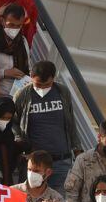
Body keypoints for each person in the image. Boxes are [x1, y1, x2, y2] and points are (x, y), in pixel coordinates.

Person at [13, 60, 83, 193]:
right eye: (38, 84)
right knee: (31, 201)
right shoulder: (22, 95)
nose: (43, 88)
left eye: (47, 85)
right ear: (31, 77)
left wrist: (77, 149)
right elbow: (14, 122)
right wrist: (21, 143)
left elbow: (70, 122)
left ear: (53, 78)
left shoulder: (62, 91)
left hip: (61, 161)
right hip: (35, 163)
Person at [0, 3, 29, 96]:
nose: (15, 29)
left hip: (18, 94)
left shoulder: (23, 41)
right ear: (2, 21)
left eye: (19, 26)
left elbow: (27, 66)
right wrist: (4, 73)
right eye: (11, 25)